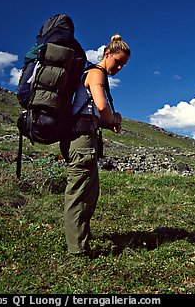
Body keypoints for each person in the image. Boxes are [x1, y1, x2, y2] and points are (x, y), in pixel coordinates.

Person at [60, 34, 131, 257]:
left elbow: (93, 112)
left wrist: (109, 125)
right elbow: (101, 106)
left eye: (123, 64)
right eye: (117, 61)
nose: (118, 67)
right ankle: (77, 249)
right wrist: (113, 119)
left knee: (89, 193)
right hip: (81, 140)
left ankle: (82, 236)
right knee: (79, 194)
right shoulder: (95, 73)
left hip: (85, 138)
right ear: (106, 54)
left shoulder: (91, 74)